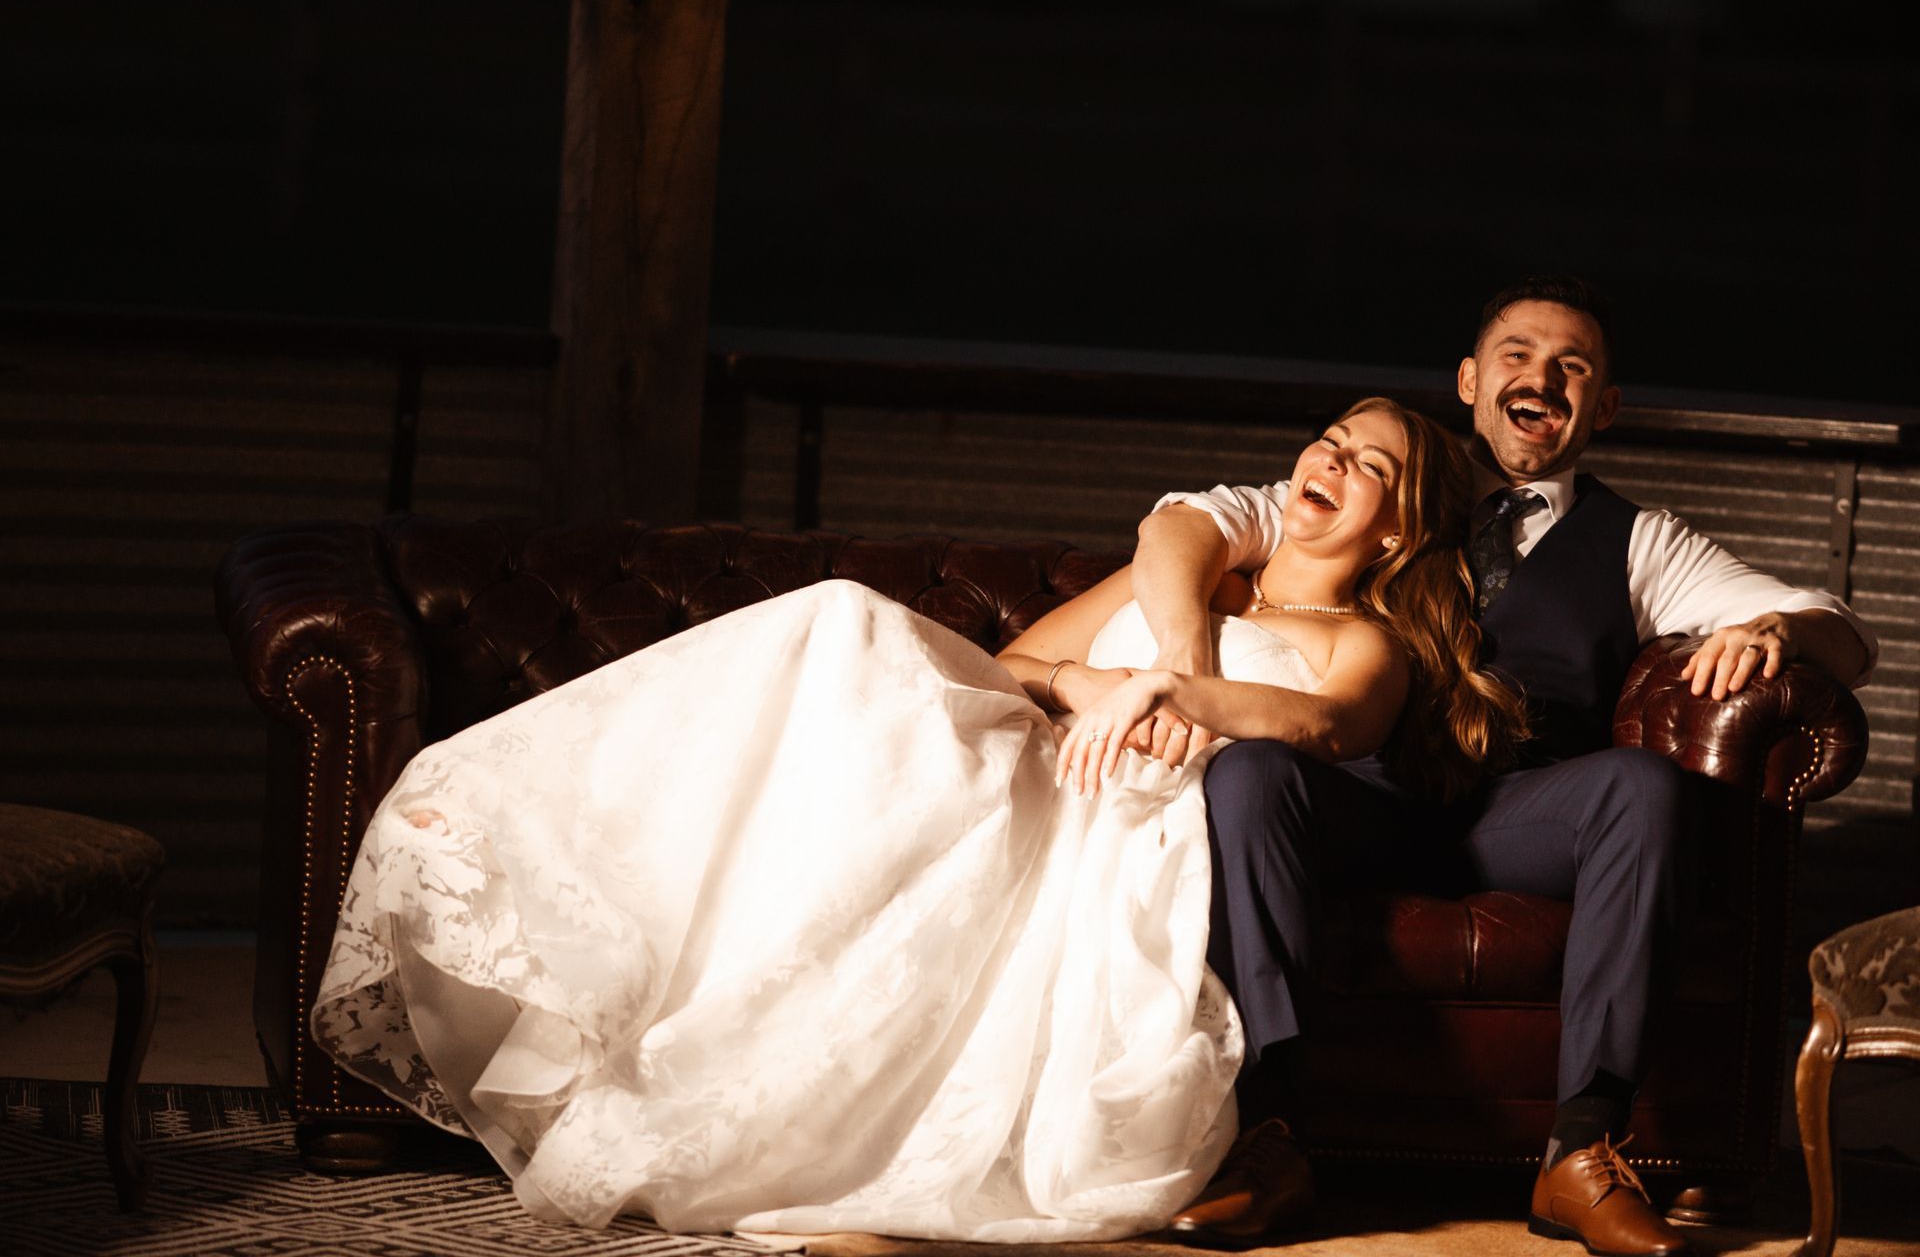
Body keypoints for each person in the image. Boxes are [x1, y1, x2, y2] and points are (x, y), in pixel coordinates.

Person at [309, 397, 1523, 1241]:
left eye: (1367, 462)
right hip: (1042, 750)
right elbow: (1016, 662)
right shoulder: (1199, 577)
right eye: (1326, 440)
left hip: (1123, 815)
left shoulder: (1359, 640)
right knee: (841, 620)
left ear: (1400, 523)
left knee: (846, 626)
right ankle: (519, 834)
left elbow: (1329, 728)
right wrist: (1104, 680)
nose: (1330, 458)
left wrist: (1172, 686)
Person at [1136, 277, 1877, 1256]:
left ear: (1603, 406)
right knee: (1250, 773)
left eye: (1574, 367)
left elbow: (1847, 632)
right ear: (1471, 379)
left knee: (1644, 784)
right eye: (1519, 355)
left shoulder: (1640, 540)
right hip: (1363, 789)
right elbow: (1187, 521)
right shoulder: (1389, 482)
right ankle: (1270, 1132)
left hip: (1520, 807)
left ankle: (1581, 1145)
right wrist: (1181, 664)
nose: (1543, 377)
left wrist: (1775, 624)